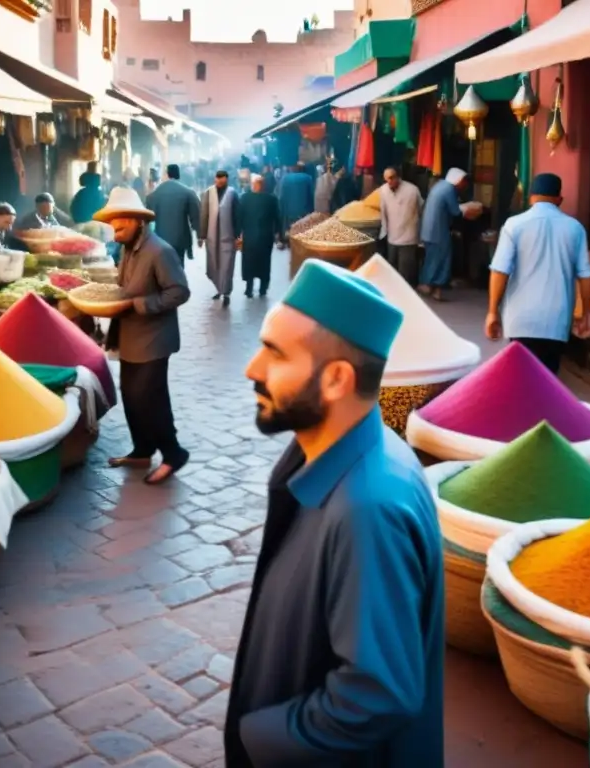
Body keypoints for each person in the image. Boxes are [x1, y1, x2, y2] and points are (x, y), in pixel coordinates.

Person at [226, 258, 444, 766]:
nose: (252, 369)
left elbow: (376, 694)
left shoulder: (369, 509)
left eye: (275, 355)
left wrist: (261, 736)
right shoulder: (326, 455)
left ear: (336, 379)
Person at [94, 187, 191, 485]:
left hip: (154, 338)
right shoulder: (126, 248)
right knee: (131, 397)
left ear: (138, 221)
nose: (116, 227)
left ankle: (174, 454)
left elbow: (179, 291)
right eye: (113, 222)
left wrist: (139, 304)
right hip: (131, 337)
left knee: (150, 399)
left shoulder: (160, 251)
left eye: (122, 221)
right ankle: (143, 450)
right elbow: (123, 285)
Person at [486, 173, 590, 374]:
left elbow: (500, 270)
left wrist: (493, 311)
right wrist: (587, 312)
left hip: (520, 318)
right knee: (547, 379)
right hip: (556, 319)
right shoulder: (575, 228)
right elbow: (586, 275)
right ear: (559, 199)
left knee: (519, 376)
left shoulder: (514, 224)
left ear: (531, 198)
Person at [420, 167, 473, 301]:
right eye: (463, 181)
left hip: (428, 230)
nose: (464, 185)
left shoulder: (440, 185)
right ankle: (436, 288)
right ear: (457, 180)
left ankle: (426, 283)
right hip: (439, 231)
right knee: (443, 258)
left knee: (431, 258)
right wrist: (468, 209)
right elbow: (455, 212)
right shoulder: (449, 189)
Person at [198, 170, 241, 307]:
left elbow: (237, 216)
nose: (219, 182)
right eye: (217, 179)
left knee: (227, 266)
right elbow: (204, 215)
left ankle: (226, 293)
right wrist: (201, 236)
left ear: (226, 179)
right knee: (214, 264)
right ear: (215, 179)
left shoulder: (233, 193)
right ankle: (219, 289)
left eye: (222, 180)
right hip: (211, 237)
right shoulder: (208, 193)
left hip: (228, 237)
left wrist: (238, 235)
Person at [146, 163, 201, 268]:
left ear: (167, 174)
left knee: (163, 267)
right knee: (179, 266)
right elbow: (196, 216)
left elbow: (147, 216)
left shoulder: (155, 194)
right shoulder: (188, 192)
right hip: (180, 239)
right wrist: (200, 235)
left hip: (161, 239)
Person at [237, 174, 281, 298]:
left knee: (249, 263)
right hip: (265, 237)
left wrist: (237, 233)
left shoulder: (245, 198)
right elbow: (277, 218)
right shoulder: (271, 199)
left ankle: (249, 288)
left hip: (250, 237)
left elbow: (239, 217)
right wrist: (278, 234)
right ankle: (262, 288)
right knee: (264, 263)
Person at [379, 166, 423, 288]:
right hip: (392, 234)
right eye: (386, 179)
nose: (389, 181)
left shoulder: (412, 190)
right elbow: (383, 211)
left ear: (398, 177)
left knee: (406, 269)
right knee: (392, 266)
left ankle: (407, 292)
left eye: (392, 178)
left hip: (409, 235)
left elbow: (421, 210)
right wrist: (384, 231)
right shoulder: (383, 190)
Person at [279, 162, 314, 241]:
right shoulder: (308, 178)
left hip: (289, 212)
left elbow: (281, 198)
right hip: (304, 213)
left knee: (290, 233)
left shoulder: (285, 179)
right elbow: (311, 196)